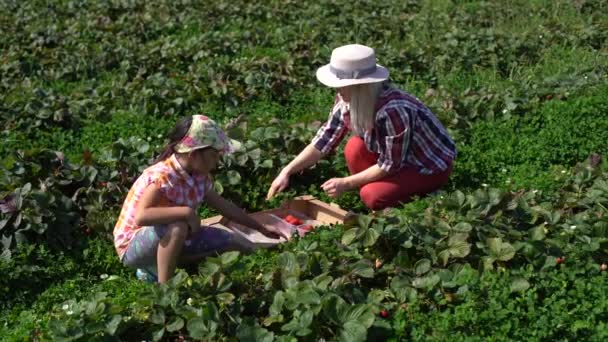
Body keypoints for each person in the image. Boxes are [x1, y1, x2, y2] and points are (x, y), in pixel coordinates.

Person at [266, 44, 456, 210]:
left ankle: (423, 193)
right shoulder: (348, 99)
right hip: (394, 158)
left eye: (342, 85)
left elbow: (392, 164)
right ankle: (385, 188)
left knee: (371, 196)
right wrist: (287, 171)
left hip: (426, 166)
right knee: (354, 148)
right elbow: (324, 140)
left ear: (361, 86)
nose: (337, 90)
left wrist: (346, 183)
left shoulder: (394, 111)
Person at [113, 115, 285, 283]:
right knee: (177, 226)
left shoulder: (198, 176)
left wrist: (260, 227)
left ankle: (155, 267)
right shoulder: (163, 176)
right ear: (193, 155)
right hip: (133, 246)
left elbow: (225, 207)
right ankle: (164, 288)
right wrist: (186, 212)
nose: (217, 160)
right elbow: (142, 216)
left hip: (172, 235)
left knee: (233, 244)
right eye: (214, 155)